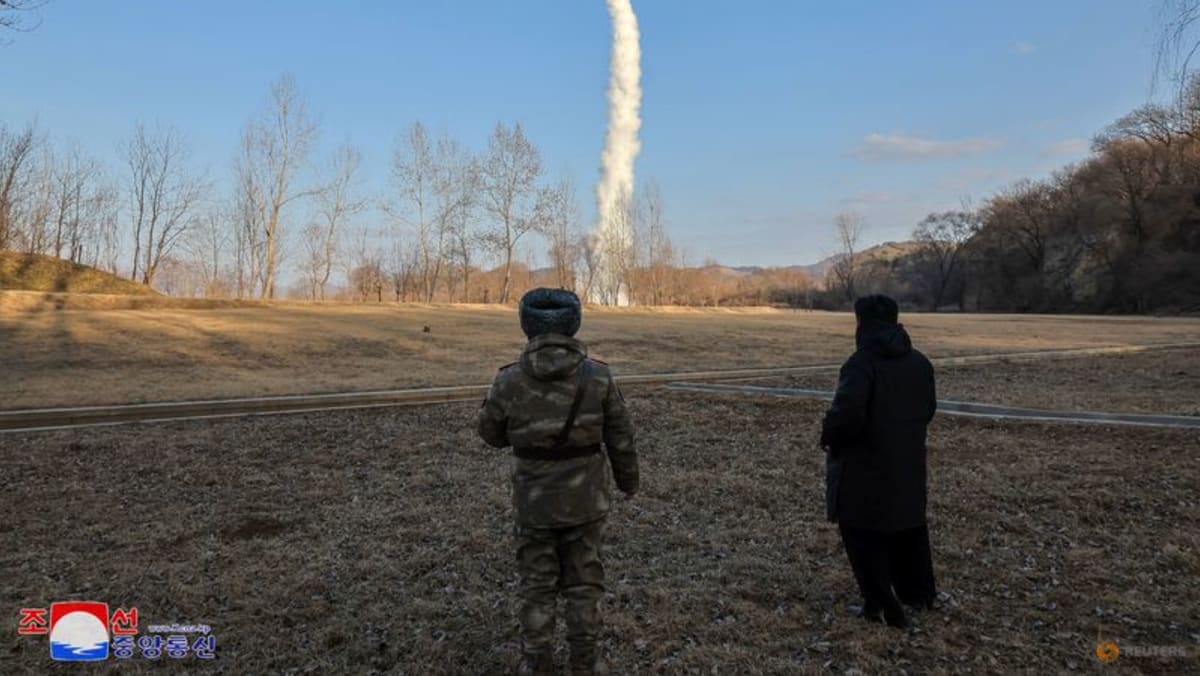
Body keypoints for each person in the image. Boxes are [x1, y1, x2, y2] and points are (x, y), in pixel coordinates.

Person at [478, 287, 639, 675]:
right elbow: (621, 437)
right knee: (585, 586)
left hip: (534, 504)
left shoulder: (509, 381)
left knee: (537, 588)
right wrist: (627, 482)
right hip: (586, 502)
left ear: (526, 325)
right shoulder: (598, 376)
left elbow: (490, 434)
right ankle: (586, 663)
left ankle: (538, 665)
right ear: (574, 322)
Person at [820, 294, 938, 629]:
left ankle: (882, 604)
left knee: (862, 534)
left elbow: (848, 415)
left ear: (862, 324)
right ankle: (920, 593)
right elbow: (928, 409)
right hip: (909, 463)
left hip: (864, 467)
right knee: (908, 528)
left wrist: (829, 435)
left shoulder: (860, 364)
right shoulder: (920, 362)